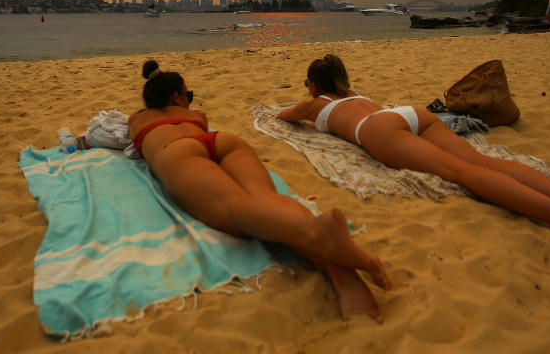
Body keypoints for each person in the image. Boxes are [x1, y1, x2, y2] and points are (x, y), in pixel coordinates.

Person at [278, 55, 550, 254]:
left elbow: (283, 116)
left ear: (313, 85)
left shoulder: (314, 104)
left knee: (461, 173)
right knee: (483, 161)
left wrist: (305, 101)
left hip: (377, 132)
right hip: (408, 114)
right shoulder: (356, 94)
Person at [128, 60, 391, 321]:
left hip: (177, 151)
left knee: (234, 209)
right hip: (222, 141)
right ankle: (342, 276)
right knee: (267, 201)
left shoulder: (138, 118)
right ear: (176, 97)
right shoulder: (197, 117)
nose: (191, 101)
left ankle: (317, 231)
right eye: (189, 95)